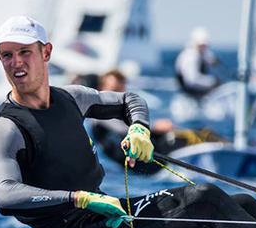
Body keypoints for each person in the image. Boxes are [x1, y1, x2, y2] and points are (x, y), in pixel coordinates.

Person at [0, 15, 256, 228]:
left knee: (239, 203)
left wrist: (139, 128)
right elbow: (5, 195)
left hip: (107, 217)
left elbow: (129, 99)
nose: (15, 62)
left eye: (24, 52)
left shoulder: (72, 98)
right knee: (205, 198)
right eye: (7, 55)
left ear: (46, 53)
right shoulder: (4, 127)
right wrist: (78, 198)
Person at [90, 69, 222, 175]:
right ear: (102, 88)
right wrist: (156, 127)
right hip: (143, 164)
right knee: (178, 137)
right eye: (114, 90)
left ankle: (221, 146)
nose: (118, 95)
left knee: (199, 132)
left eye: (121, 90)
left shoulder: (120, 111)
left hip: (147, 157)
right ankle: (221, 152)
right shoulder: (100, 113)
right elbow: (123, 130)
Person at [174, 26, 219, 99]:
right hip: (190, 91)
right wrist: (212, 82)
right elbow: (192, 80)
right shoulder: (191, 56)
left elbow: (209, 58)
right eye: (202, 45)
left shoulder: (199, 53)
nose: (204, 48)